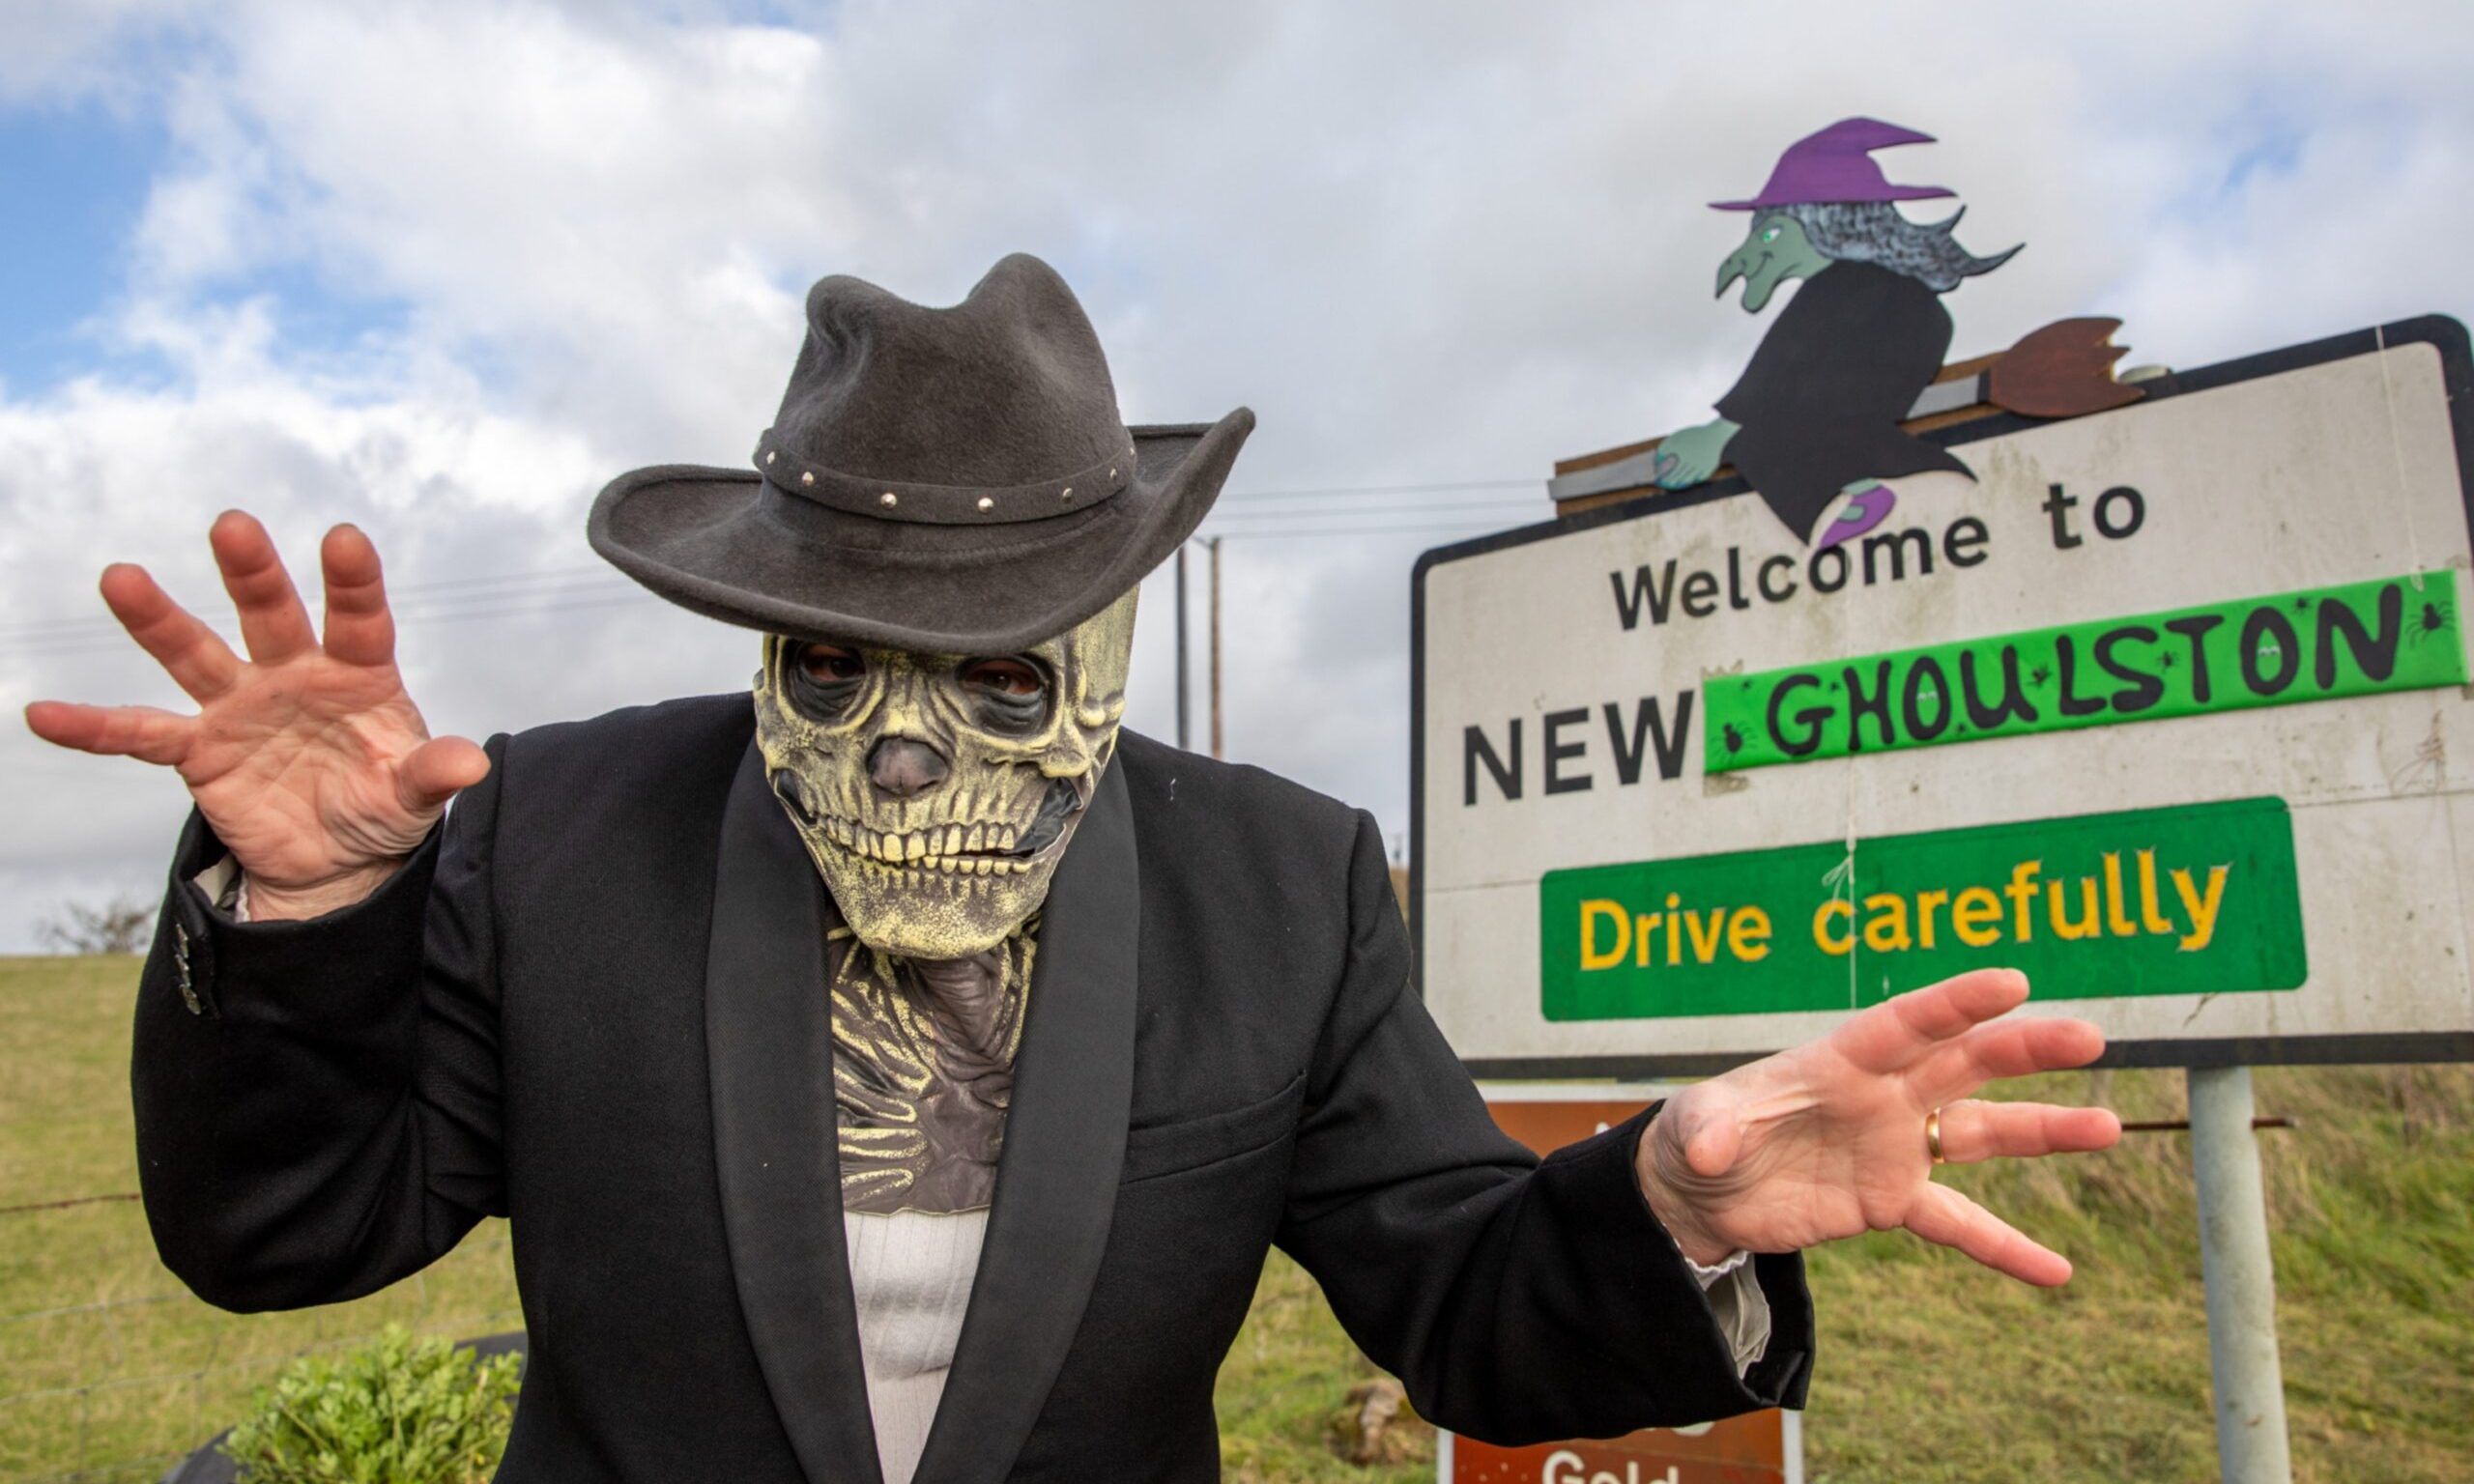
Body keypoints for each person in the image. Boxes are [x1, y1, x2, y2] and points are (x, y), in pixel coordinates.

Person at [25, 254, 2120, 1484]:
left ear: (1108, 649)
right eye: (838, 661)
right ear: (758, 633)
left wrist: (1662, 1205)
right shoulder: (554, 834)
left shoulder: (1280, 890)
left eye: (996, 666)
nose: (908, 731)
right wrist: (300, 911)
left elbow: (1462, 1309)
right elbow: (282, 1239)